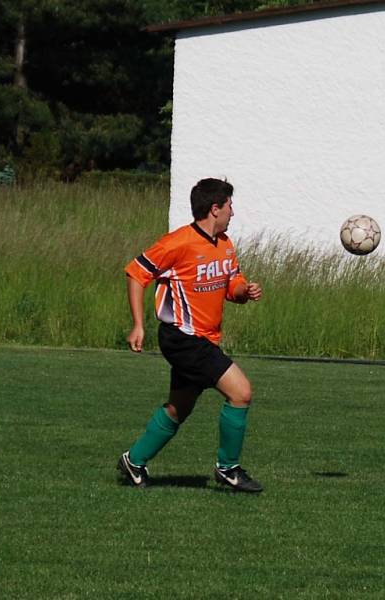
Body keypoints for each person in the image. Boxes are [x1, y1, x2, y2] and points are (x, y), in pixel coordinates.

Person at [117, 178, 263, 492]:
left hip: (204, 339)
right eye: (229, 206)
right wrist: (138, 325)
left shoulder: (224, 243)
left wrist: (244, 291)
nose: (232, 213)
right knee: (241, 392)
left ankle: (134, 461)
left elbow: (231, 285)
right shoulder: (177, 243)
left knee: (178, 407)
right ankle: (229, 468)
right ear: (215, 208)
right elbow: (135, 273)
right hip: (183, 338)